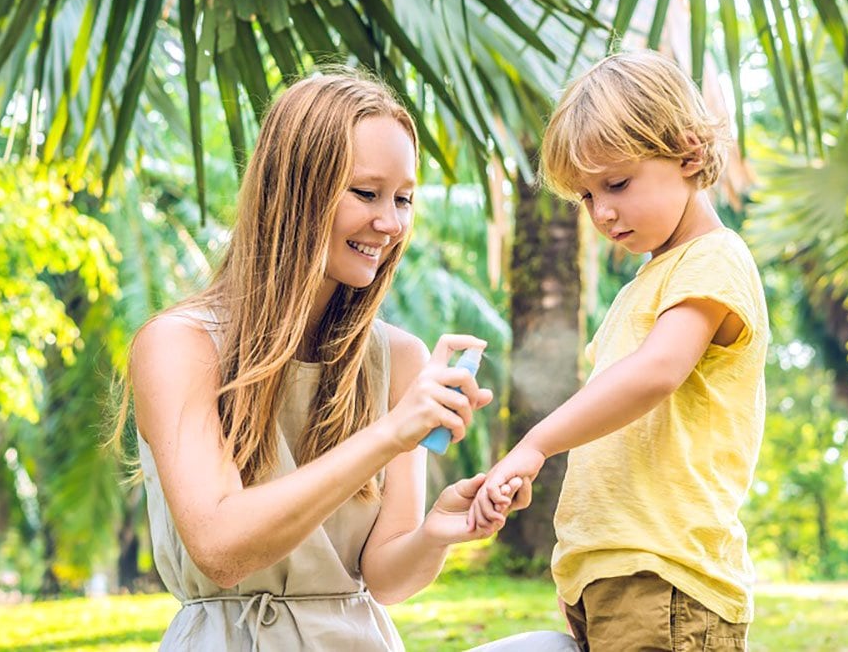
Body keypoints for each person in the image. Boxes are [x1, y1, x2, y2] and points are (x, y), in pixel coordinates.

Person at [111, 69, 574, 651]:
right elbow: (220, 548)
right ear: (294, 193)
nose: (390, 223)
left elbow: (383, 576)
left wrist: (436, 532)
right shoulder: (180, 345)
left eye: (403, 199)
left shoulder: (397, 357)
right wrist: (389, 435)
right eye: (366, 193)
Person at [469, 50, 769, 651]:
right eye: (585, 196)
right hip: (616, 575)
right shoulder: (643, 287)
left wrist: (535, 443)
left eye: (617, 184)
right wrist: (583, 562)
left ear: (687, 153)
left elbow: (656, 374)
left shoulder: (714, 259)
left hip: (668, 576)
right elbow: (615, 437)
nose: (602, 212)